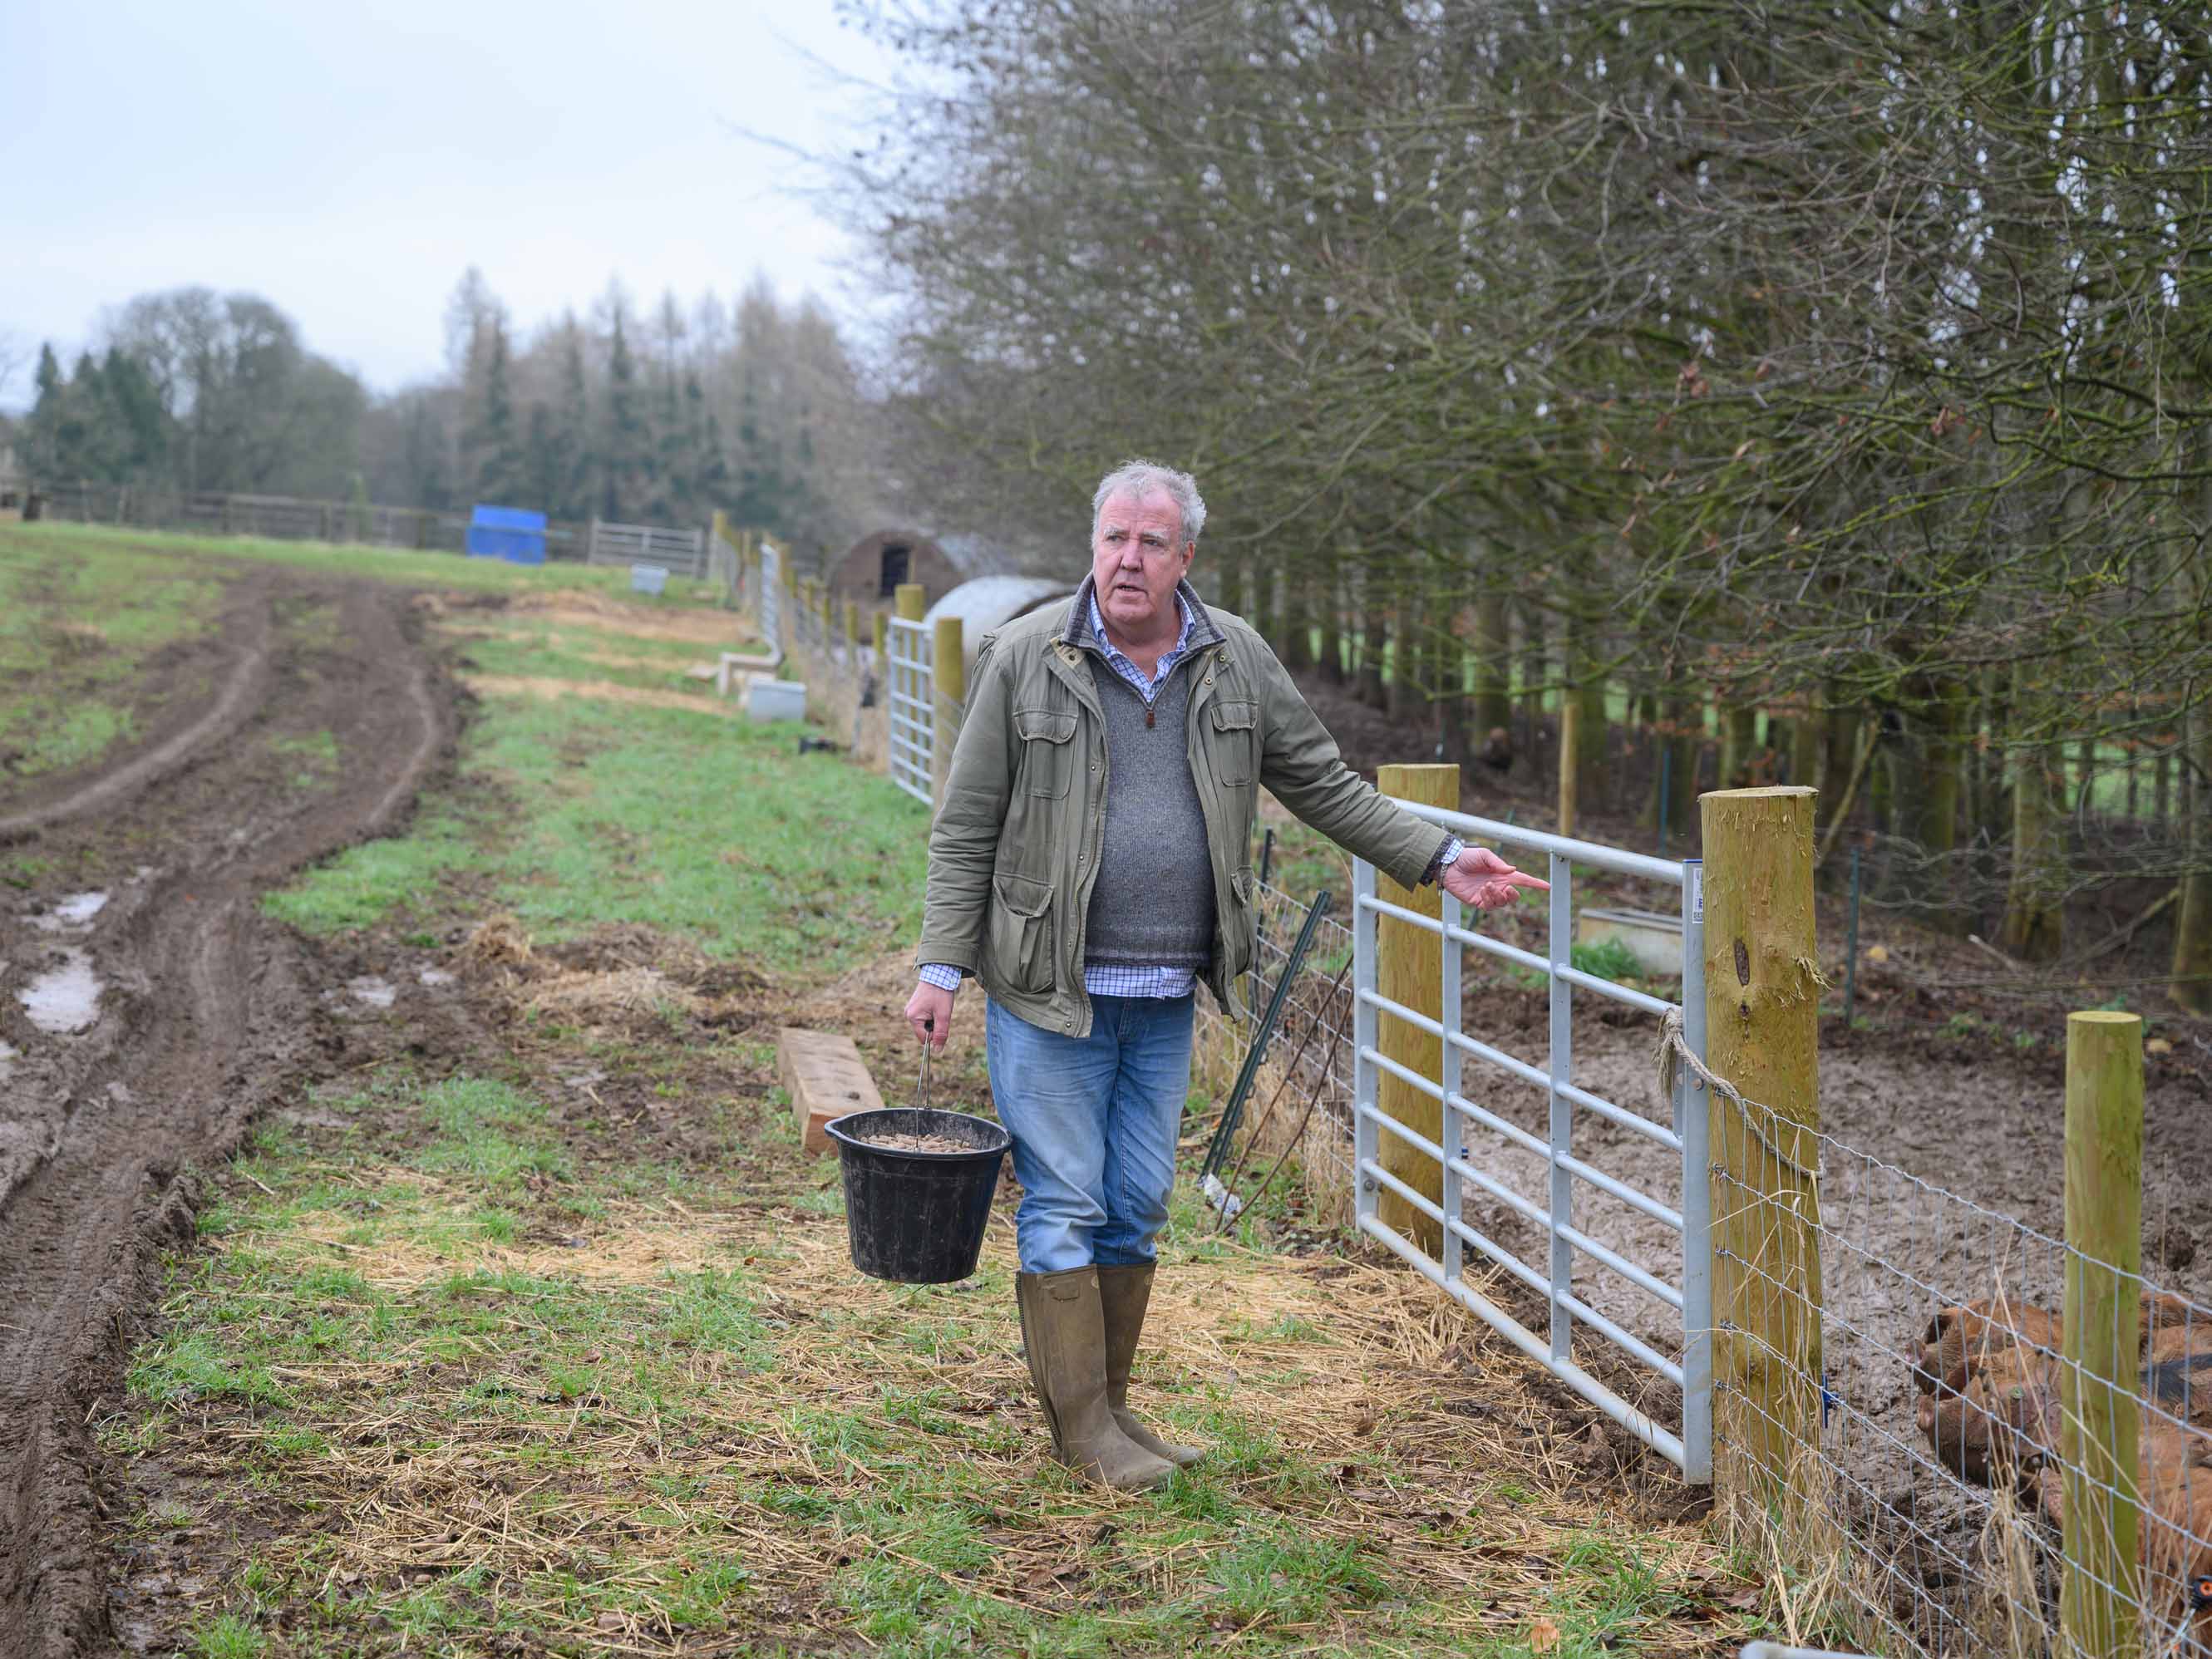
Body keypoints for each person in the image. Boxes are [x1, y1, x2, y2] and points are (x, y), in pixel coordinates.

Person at [904, 460, 1546, 1489]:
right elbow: (965, 823)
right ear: (1093, 545)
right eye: (1115, 537)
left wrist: (1435, 857)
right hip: (1046, 986)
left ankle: (1108, 1409)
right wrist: (940, 966)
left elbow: (1324, 783)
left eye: (1152, 542)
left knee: (1135, 1202)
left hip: (1164, 995)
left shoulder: (1234, 659)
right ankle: (1082, 1435)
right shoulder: (1026, 656)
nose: (1129, 558)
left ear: (1185, 557)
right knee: (1064, 1201)